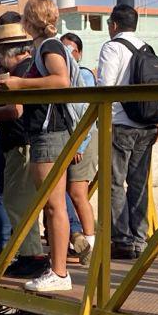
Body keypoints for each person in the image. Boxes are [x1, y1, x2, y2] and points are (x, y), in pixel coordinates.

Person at [0, 0, 75, 293]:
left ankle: (59, 272)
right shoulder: (46, 46)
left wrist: (19, 85)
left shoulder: (49, 46)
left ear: (29, 22)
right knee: (53, 206)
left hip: (49, 131)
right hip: (48, 131)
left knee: (54, 206)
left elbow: (61, 81)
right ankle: (58, 269)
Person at [94, 4, 157, 260]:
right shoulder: (147, 48)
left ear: (114, 25)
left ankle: (121, 240)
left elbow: (105, 87)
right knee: (139, 184)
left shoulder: (112, 47)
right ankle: (140, 240)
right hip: (146, 124)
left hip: (120, 124)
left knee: (114, 183)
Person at [0, 22, 45, 278]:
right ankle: (29, 254)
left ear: (10, 52)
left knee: (16, 201)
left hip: (20, 143)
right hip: (28, 141)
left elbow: (15, 109)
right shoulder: (32, 67)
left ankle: (32, 256)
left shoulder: (20, 72)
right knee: (23, 201)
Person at [59, 32, 97, 263]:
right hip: (67, 141)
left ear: (79, 54)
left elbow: (88, 115)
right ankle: (73, 244)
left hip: (84, 140)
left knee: (77, 193)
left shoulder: (83, 76)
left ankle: (89, 246)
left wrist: (80, 145)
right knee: (64, 192)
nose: (67, 55)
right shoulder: (61, 75)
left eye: (71, 50)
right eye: (62, 50)